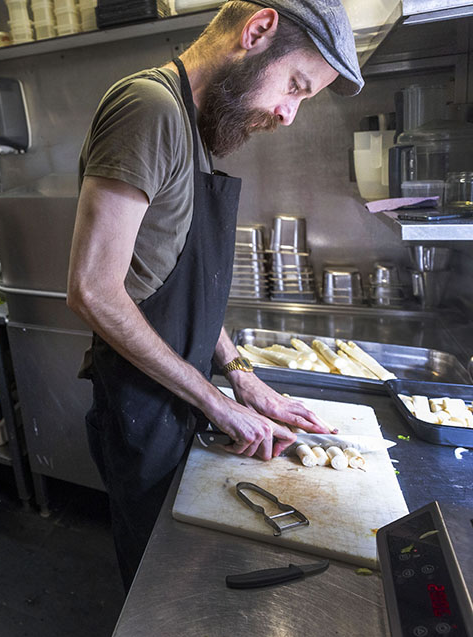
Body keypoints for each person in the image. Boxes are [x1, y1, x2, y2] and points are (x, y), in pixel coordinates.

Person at [67, 0, 360, 590]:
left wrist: (240, 374)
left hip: (179, 402)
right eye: (296, 86)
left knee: (186, 573)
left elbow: (175, 281)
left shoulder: (194, 130)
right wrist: (217, 403)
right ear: (257, 31)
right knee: (157, 589)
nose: (288, 114)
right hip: (142, 411)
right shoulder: (147, 108)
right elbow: (93, 291)